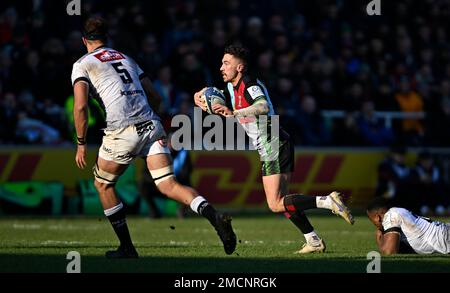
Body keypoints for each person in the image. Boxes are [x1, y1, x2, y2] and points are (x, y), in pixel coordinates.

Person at [71, 17, 236, 258]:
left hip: (121, 129)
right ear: (108, 38)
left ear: (84, 40)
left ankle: (127, 247)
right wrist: (151, 123)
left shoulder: (83, 64)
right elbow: (155, 97)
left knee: (103, 184)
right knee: (168, 184)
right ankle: (214, 216)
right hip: (151, 125)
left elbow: (80, 107)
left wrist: (81, 143)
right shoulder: (126, 58)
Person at [194, 44, 354, 254]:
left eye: (226, 63)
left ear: (240, 67)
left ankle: (326, 201)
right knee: (284, 200)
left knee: (275, 203)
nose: (221, 67)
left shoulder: (249, 83)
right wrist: (201, 96)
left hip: (273, 142)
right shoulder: (232, 87)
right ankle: (313, 239)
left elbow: (263, 106)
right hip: (276, 142)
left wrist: (235, 113)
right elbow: (208, 95)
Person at [366, 197, 450, 255]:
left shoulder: (391, 215)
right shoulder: (395, 212)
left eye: (371, 219)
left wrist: (379, 239)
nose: (373, 223)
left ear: (377, 217)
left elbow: (389, 251)